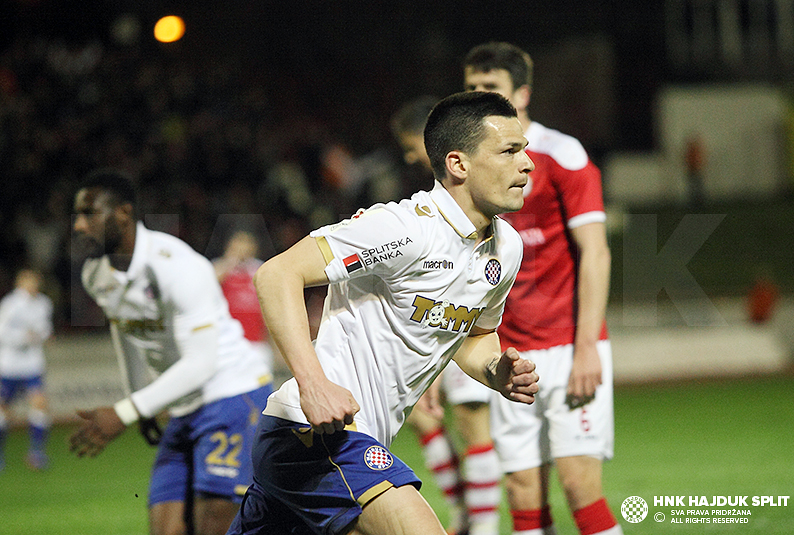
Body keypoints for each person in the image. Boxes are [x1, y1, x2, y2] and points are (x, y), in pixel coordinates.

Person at [226, 90, 538, 535]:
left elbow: (472, 336)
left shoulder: (506, 250)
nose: (527, 164)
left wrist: (494, 370)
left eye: (523, 149)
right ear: (458, 164)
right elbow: (276, 275)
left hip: (341, 444)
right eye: (509, 151)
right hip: (315, 433)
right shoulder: (403, 229)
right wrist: (314, 385)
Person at [464, 42, 621, 535]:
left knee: (579, 487)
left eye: (491, 88)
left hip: (567, 344)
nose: (478, 96)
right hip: (507, 353)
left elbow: (595, 252)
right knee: (522, 494)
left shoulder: (560, 154)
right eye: (471, 88)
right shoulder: (463, 164)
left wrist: (587, 348)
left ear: (522, 94)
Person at [68, 169, 273, 535]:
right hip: (184, 406)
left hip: (232, 395)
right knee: (165, 529)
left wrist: (126, 411)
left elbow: (202, 363)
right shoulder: (94, 274)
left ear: (123, 213)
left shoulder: (177, 266)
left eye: (89, 213)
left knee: (215, 526)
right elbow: (126, 334)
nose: (79, 225)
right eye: (77, 215)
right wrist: (140, 402)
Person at [391, 95, 503, 535]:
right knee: (428, 419)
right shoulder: (431, 199)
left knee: (474, 426)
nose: (407, 155)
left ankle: (484, 526)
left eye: (409, 144)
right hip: (442, 322)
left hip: (471, 319)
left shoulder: (469, 187)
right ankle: (464, 515)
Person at [0, 268, 54, 472]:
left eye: (35, 282)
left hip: (33, 365)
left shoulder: (43, 303)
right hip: (9, 367)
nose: (33, 286)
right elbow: (2, 333)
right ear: (20, 283)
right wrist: (24, 337)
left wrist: (41, 335)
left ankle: (36, 452)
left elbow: (46, 328)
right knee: (3, 412)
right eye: (29, 282)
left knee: (39, 405)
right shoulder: (10, 304)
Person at [213, 231, 275, 376]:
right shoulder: (220, 267)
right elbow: (207, 285)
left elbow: (269, 306)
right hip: (226, 343)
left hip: (256, 344)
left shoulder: (260, 269)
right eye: (238, 244)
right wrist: (230, 261)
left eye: (246, 243)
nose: (243, 248)